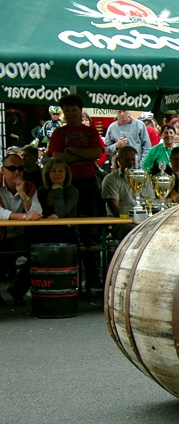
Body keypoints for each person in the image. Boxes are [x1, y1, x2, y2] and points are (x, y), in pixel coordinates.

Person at [47, 94, 105, 292]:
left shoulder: (90, 131)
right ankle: (70, 276)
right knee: (69, 231)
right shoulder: (58, 133)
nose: (71, 113)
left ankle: (94, 278)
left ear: (80, 111)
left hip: (89, 185)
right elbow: (56, 156)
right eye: (67, 110)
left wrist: (71, 150)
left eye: (74, 109)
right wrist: (82, 152)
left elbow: (96, 153)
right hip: (67, 187)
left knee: (92, 231)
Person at [0, 153, 42, 304]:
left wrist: (23, 194)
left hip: (18, 236)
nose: (16, 172)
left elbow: (37, 212)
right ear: (2, 170)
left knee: (39, 253)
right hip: (1, 236)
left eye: (20, 168)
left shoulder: (29, 186)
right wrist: (23, 217)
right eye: (11, 168)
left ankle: (18, 289)